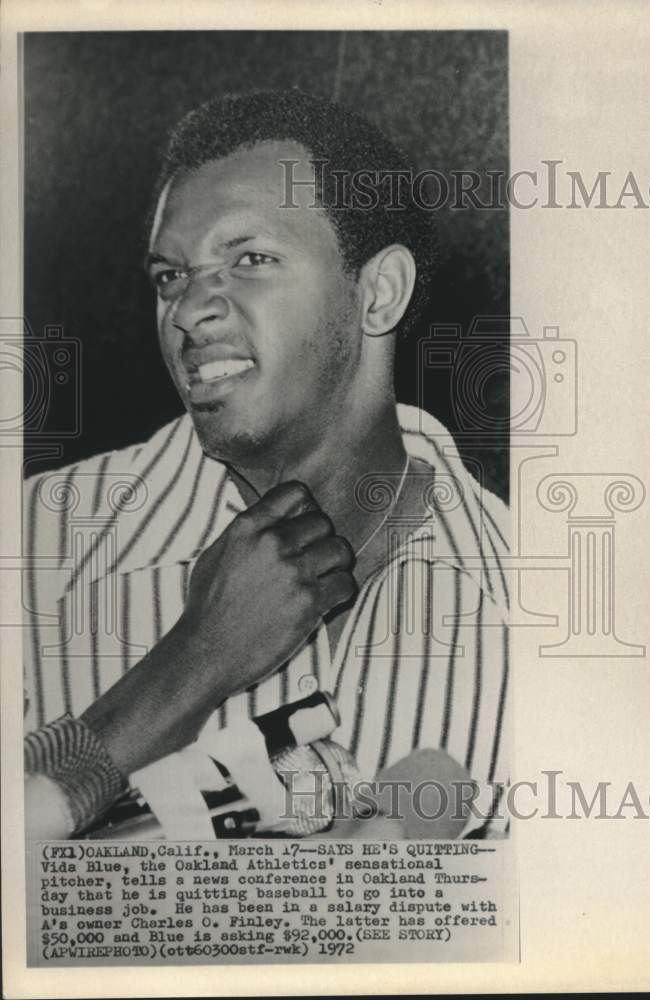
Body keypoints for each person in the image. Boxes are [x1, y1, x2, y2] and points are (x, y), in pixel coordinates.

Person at [23, 89, 510, 839]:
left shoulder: (527, 599)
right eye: (169, 276)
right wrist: (195, 661)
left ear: (379, 294)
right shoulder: (32, 544)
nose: (186, 312)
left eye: (249, 259)